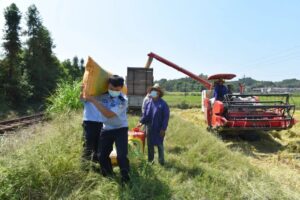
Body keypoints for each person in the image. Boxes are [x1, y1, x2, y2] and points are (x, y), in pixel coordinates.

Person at [83, 75, 130, 183]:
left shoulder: (123, 99)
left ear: (121, 88)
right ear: (108, 86)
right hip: (106, 129)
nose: (113, 91)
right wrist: (86, 88)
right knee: (102, 155)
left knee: (121, 155)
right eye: (111, 89)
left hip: (120, 129)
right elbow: (86, 96)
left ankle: (125, 178)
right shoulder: (103, 95)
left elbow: (108, 114)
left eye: (116, 89)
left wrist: (94, 101)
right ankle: (109, 175)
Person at [138, 85, 170, 165]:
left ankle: (161, 161)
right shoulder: (148, 103)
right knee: (150, 145)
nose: (152, 93)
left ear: (158, 93)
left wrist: (163, 129)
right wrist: (141, 122)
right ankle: (150, 161)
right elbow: (146, 115)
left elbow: (166, 117)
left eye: (154, 91)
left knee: (159, 145)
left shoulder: (163, 104)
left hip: (159, 128)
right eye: (151, 91)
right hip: (149, 128)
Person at [80, 85, 103, 166]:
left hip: (101, 122)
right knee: (88, 143)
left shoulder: (105, 94)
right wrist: (82, 90)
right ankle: (85, 165)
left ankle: (95, 163)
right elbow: (82, 99)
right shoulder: (88, 92)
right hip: (89, 122)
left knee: (99, 143)